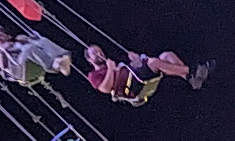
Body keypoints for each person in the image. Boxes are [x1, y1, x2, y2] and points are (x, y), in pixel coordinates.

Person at [83, 43, 211, 103]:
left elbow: (132, 69)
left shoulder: (113, 65)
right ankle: (191, 71)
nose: (99, 54)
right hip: (131, 87)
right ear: (89, 59)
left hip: (135, 77)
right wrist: (111, 69)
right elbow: (105, 88)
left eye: (99, 51)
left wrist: (136, 60)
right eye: (95, 53)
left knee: (167, 55)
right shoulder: (93, 75)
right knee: (154, 63)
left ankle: (190, 79)